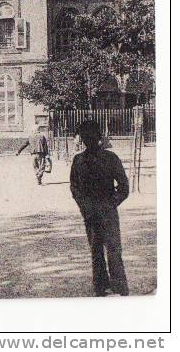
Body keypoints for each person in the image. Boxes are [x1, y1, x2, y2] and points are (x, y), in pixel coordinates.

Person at [70, 119, 129, 297]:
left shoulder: (111, 158)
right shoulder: (78, 160)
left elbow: (124, 186)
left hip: (107, 211)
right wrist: (84, 206)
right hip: (91, 213)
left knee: (113, 250)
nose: (88, 139)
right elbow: (74, 187)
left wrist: (111, 203)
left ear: (99, 136)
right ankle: (101, 286)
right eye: (85, 136)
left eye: (91, 135)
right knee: (96, 251)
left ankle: (119, 286)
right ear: (82, 139)